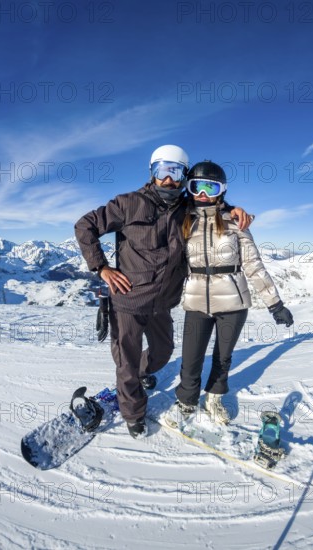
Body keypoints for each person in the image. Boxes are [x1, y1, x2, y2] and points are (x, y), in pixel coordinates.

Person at [74, 145, 252, 439]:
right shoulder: (128, 203)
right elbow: (85, 226)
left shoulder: (187, 208)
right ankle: (134, 413)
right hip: (128, 302)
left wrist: (232, 208)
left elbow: (211, 204)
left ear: (183, 176)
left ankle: (139, 376)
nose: (168, 179)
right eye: (162, 171)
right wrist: (102, 268)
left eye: (176, 172)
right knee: (127, 364)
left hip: (162, 304)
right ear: (152, 173)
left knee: (162, 352)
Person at [165, 160, 294, 428]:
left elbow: (254, 266)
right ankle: (186, 401)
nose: (202, 194)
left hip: (234, 303)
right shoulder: (182, 221)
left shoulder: (235, 222)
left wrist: (275, 303)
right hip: (197, 300)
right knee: (191, 357)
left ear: (221, 191)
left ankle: (214, 398)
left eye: (210, 188)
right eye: (197, 186)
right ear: (188, 188)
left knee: (222, 357)